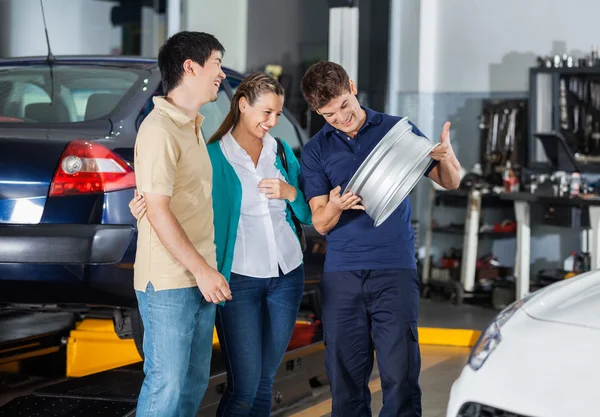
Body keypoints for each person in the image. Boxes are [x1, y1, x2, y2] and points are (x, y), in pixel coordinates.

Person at [130, 72, 312, 417]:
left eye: (278, 114)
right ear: (243, 106)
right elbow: (185, 202)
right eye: (266, 113)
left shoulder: (282, 152)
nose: (273, 122)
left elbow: (307, 213)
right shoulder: (213, 154)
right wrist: (142, 209)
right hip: (237, 278)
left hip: (287, 274)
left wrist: (290, 193)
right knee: (243, 387)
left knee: (264, 382)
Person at [299, 60, 461, 417]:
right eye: (329, 114)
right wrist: (338, 206)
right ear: (316, 112)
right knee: (345, 377)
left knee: (400, 373)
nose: (342, 118)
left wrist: (448, 157)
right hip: (343, 274)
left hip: (394, 267)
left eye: (344, 105)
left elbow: (450, 181)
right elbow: (321, 222)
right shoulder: (315, 151)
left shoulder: (396, 131)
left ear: (352, 87)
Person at [133, 31, 232, 417]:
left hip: (198, 276)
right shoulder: (159, 130)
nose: (221, 73)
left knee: (191, 386)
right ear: (190, 67)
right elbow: (158, 210)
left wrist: (206, 271)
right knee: (167, 385)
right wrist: (203, 271)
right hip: (171, 281)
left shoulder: (192, 125)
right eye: (217, 63)